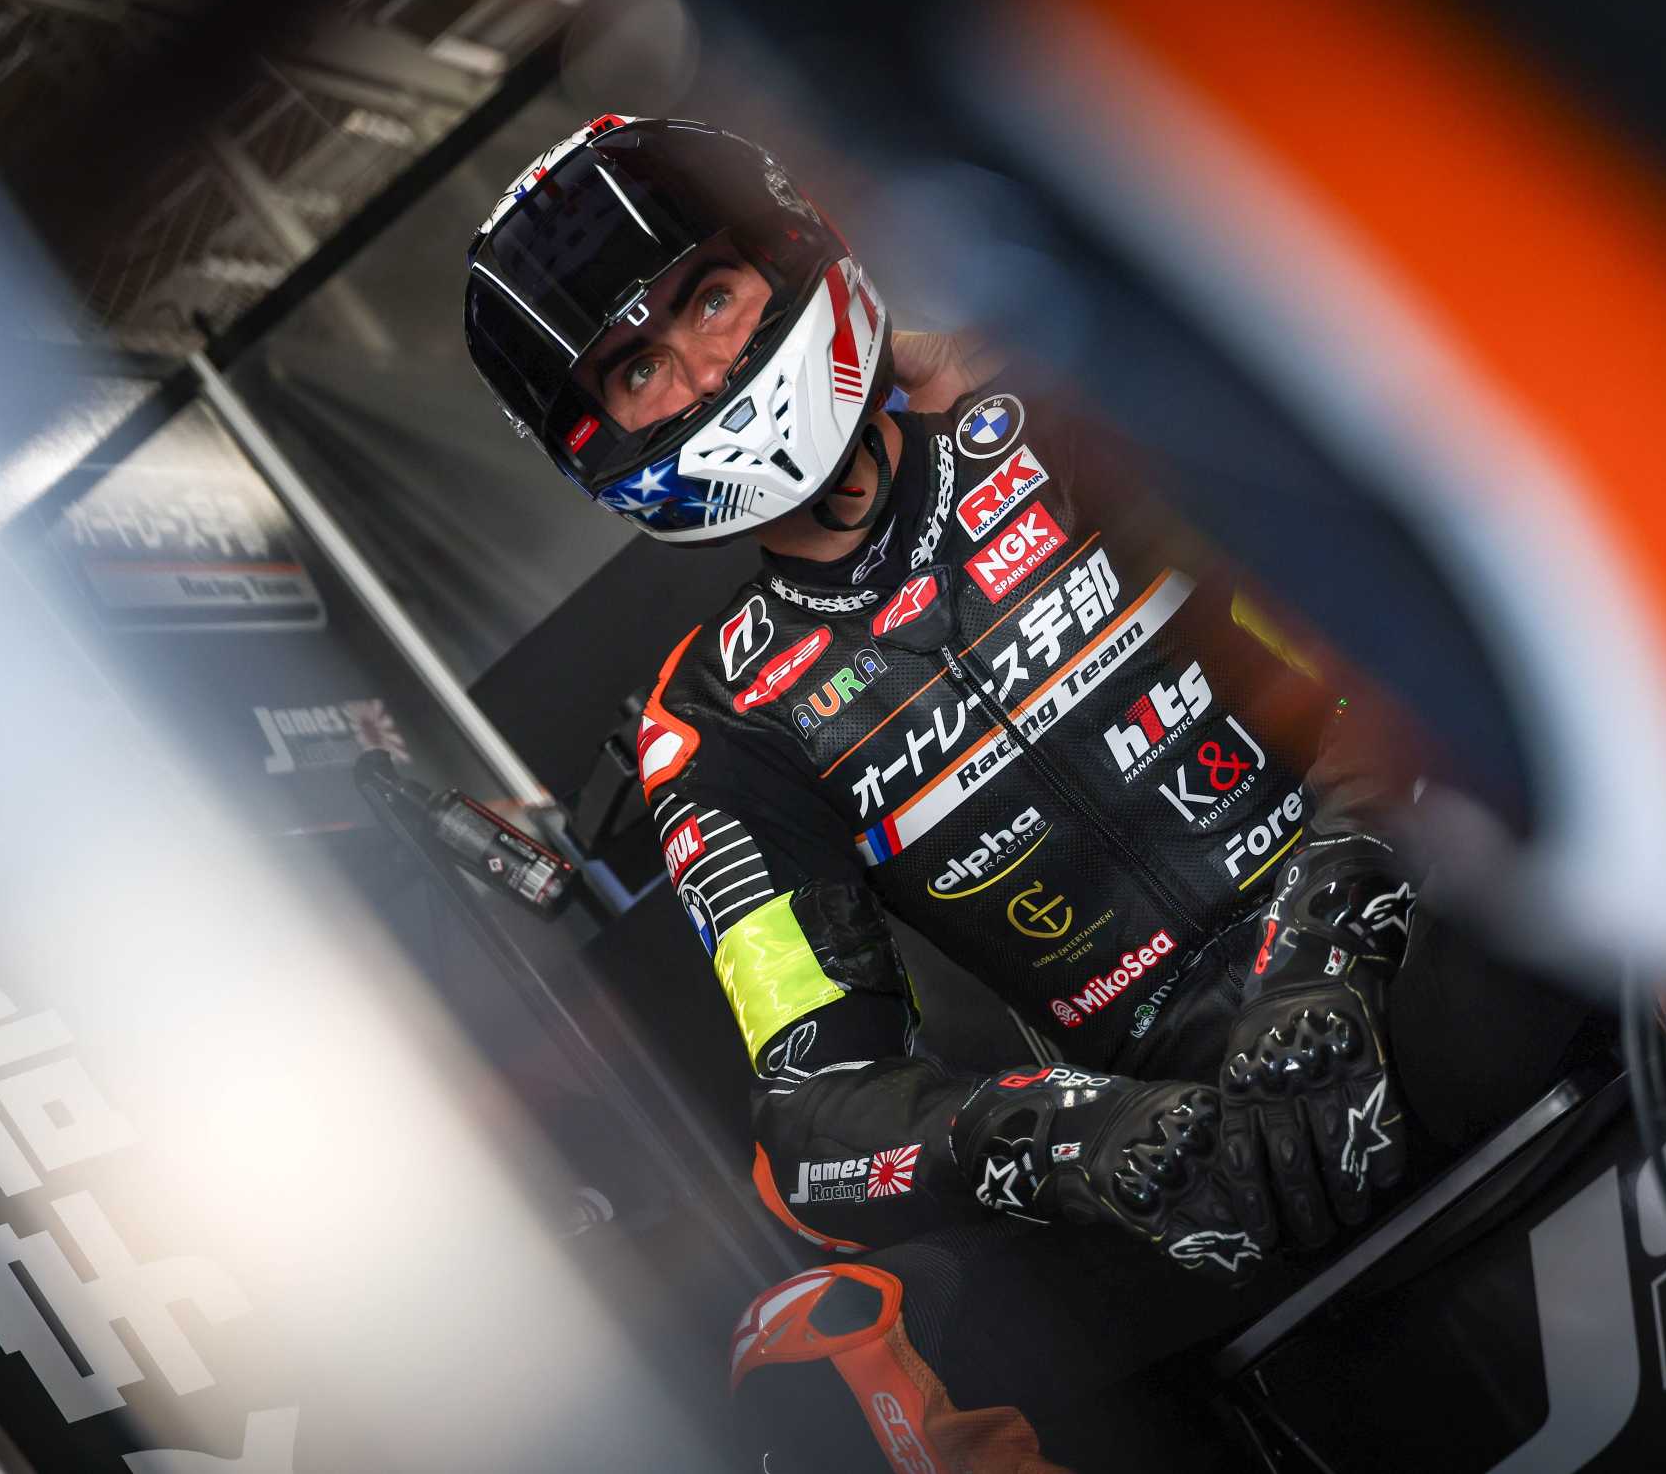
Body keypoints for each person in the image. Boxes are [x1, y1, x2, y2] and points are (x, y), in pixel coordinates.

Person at [464, 115, 1430, 1472]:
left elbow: (1405, 652)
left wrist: (1331, 938)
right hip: (1179, 1143)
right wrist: (1069, 1136)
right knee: (811, 1365)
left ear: (784, 251)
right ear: (595, 437)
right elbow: (818, 1114)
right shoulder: (718, 725)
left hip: (1412, 933)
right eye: (636, 366)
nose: (705, 368)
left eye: (709, 296)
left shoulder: (1060, 402)